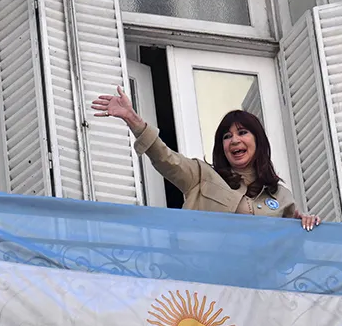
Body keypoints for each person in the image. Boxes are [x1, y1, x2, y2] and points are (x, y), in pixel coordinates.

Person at [91, 87, 320, 231]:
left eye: (242, 133)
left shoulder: (280, 195)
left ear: (258, 140)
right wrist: (133, 119)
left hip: (259, 291)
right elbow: (164, 157)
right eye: (227, 136)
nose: (234, 141)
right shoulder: (201, 177)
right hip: (206, 284)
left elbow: (294, 248)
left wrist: (307, 223)